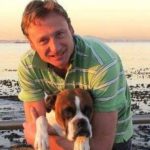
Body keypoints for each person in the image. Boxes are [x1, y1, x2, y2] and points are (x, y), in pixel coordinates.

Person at [18, 0, 133, 149]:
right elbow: (38, 128)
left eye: (59, 34)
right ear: (31, 44)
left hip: (112, 137)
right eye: (43, 40)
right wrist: (41, 134)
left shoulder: (102, 64)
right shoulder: (28, 65)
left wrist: (45, 140)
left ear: (71, 29)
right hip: (64, 134)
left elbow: (102, 144)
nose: (55, 48)